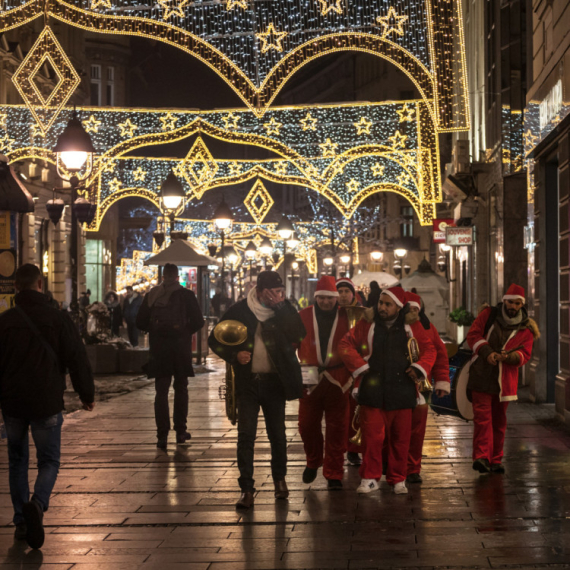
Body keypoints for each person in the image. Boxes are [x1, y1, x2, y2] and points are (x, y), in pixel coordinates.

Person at [0, 264, 95, 549]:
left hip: (13, 402)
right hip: (46, 400)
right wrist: (86, 393)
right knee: (49, 460)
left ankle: (20, 521)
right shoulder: (58, 319)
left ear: (16, 287)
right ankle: (38, 504)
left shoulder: (5, 321)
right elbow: (77, 357)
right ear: (40, 284)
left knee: (17, 461)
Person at [208, 271, 306, 510]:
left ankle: (280, 480)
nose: (276, 295)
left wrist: (282, 308)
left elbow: (299, 333)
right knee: (246, 436)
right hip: (248, 382)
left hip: (275, 382)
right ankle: (247, 489)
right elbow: (215, 339)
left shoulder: (284, 310)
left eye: (279, 291)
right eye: (271, 291)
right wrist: (234, 355)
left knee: (278, 435)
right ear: (259, 290)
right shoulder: (241, 310)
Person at [338, 286, 437, 495]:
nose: (382, 307)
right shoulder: (367, 323)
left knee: (400, 439)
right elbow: (345, 343)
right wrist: (360, 367)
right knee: (372, 439)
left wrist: (419, 368)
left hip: (402, 391)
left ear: (398, 307)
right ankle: (370, 478)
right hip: (373, 390)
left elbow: (429, 349)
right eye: (381, 303)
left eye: (387, 304)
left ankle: (398, 479)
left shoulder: (413, 326)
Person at [466, 284, 538, 474]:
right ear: (504, 300)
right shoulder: (488, 315)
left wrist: (510, 357)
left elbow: (525, 354)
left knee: (499, 421)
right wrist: (487, 352)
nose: (512, 306)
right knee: (482, 419)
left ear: (521, 305)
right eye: (510, 302)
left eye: (516, 303)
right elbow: (473, 335)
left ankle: (496, 459)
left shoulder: (526, 327)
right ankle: (481, 457)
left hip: (504, 381)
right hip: (481, 374)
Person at [136, 264, 205, 449]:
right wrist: (184, 331)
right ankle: (181, 431)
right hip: (180, 349)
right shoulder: (187, 295)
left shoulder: (152, 294)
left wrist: (156, 331)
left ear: (163, 275)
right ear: (176, 276)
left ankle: (162, 435)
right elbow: (199, 321)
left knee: (161, 391)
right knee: (181, 388)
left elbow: (139, 321)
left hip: (159, 349)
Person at [297, 276, 352, 490]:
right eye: (321, 298)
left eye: (329, 298)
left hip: (339, 379)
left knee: (337, 428)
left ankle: (334, 473)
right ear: (316, 298)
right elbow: (290, 343)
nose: (325, 302)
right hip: (309, 378)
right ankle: (313, 461)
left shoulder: (348, 316)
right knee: (306, 425)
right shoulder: (302, 316)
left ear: (336, 298)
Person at [404, 292, 450, 483]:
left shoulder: (427, 327)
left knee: (417, 430)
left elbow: (439, 355)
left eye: (416, 309)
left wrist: (441, 380)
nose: (413, 312)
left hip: (421, 387)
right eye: (410, 309)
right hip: (397, 386)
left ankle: (413, 468)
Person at [335, 277, 363, 467]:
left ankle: (354, 449)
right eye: (340, 291)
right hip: (337, 369)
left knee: (356, 410)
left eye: (346, 291)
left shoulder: (363, 313)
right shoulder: (331, 313)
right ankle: (339, 448)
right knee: (339, 412)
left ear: (353, 294)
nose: (343, 295)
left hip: (357, 367)